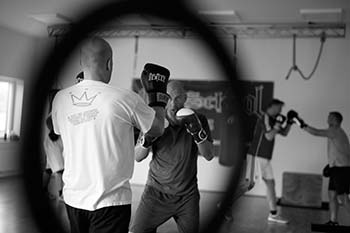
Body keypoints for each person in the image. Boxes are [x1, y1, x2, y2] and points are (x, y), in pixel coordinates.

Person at [51, 36, 169, 233]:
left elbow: (58, 131)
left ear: (81, 62)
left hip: (73, 199)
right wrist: (157, 97)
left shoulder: (60, 99)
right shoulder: (125, 98)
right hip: (111, 202)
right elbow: (157, 128)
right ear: (109, 63)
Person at [129, 80, 214, 233]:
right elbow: (137, 157)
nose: (173, 104)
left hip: (187, 196)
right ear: (163, 99)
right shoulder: (155, 121)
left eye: (178, 98)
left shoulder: (198, 119)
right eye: (168, 98)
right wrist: (146, 140)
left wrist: (198, 133)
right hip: (155, 193)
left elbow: (208, 155)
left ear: (185, 98)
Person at [246, 99, 292, 224]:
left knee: (271, 184)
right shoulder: (264, 117)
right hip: (257, 156)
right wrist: (278, 124)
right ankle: (225, 204)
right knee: (248, 185)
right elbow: (269, 136)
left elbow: (284, 133)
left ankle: (273, 214)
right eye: (279, 108)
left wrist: (289, 122)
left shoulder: (273, 119)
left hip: (265, 158)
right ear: (272, 106)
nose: (280, 111)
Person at [300, 111, 350, 226]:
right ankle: (333, 221)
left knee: (342, 198)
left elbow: (316, 132)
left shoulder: (335, 130)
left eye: (329, 117)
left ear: (335, 120)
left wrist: (301, 124)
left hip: (341, 169)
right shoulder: (337, 132)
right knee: (332, 195)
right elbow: (342, 150)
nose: (327, 118)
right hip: (336, 168)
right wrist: (331, 164)